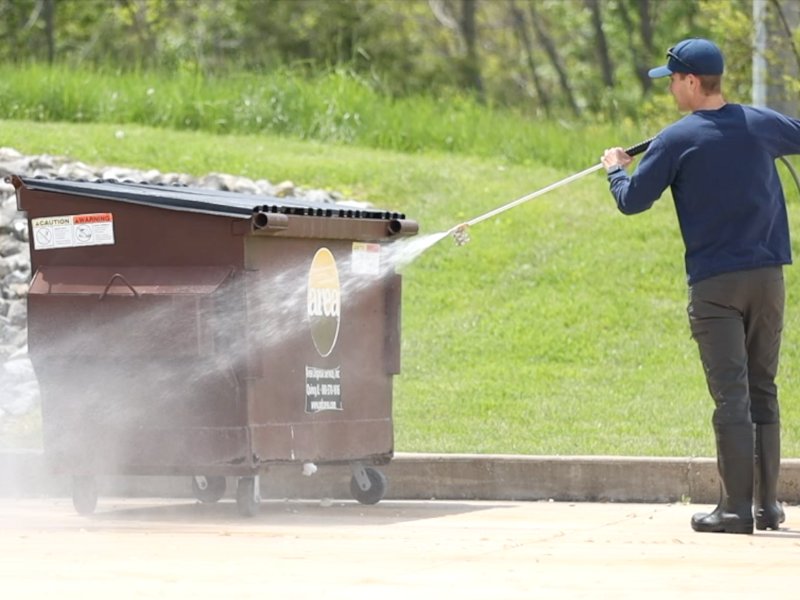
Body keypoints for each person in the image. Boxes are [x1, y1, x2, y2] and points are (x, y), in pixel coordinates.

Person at [601, 38, 800, 534]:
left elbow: (631, 201)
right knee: (763, 390)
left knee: (732, 398)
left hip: (716, 287)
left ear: (692, 81)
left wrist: (613, 170)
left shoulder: (675, 139)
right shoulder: (762, 123)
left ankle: (734, 511)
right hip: (768, 279)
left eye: (671, 79)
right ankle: (767, 507)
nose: (669, 88)